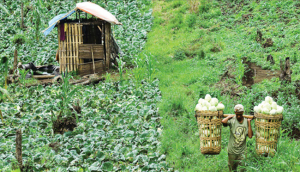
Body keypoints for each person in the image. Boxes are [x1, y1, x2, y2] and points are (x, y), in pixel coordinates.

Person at [222, 104, 253, 172]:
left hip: (242, 151)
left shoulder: (246, 121)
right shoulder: (232, 120)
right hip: (232, 151)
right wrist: (228, 117)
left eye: (240, 114)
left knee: (242, 169)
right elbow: (223, 122)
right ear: (235, 113)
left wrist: (249, 122)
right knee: (232, 169)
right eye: (237, 114)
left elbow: (250, 136)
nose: (238, 116)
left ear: (243, 112)